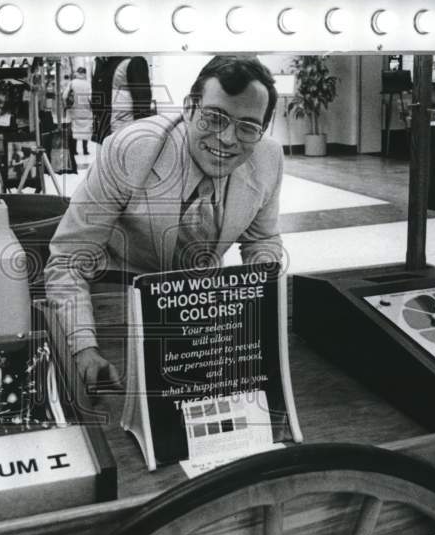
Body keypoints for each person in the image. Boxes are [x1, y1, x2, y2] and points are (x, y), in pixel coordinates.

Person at [44, 56, 283, 390]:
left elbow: (262, 242)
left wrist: (261, 312)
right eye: (214, 118)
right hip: (117, 291)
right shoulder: (132, 148)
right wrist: (84, 348)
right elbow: (69, 258)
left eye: (247, 126)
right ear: (188, 108)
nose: (228, 138)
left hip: (198, 307)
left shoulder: (269, 158)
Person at [92, 56, 153, 143]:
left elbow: (142, 102)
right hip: (106, 131)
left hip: (125, 129)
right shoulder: (100, 62)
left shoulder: (132, 61)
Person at [67, 66, 93, 157]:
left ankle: (74, 150)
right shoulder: (88, 84)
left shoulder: (72, 83)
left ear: (77, 73)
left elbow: (64, 96)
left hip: (75, 110)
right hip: (87, 110)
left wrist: (67, 105)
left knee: (75, 130)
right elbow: (91, 98)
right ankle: (85, 150)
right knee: (85, 130)